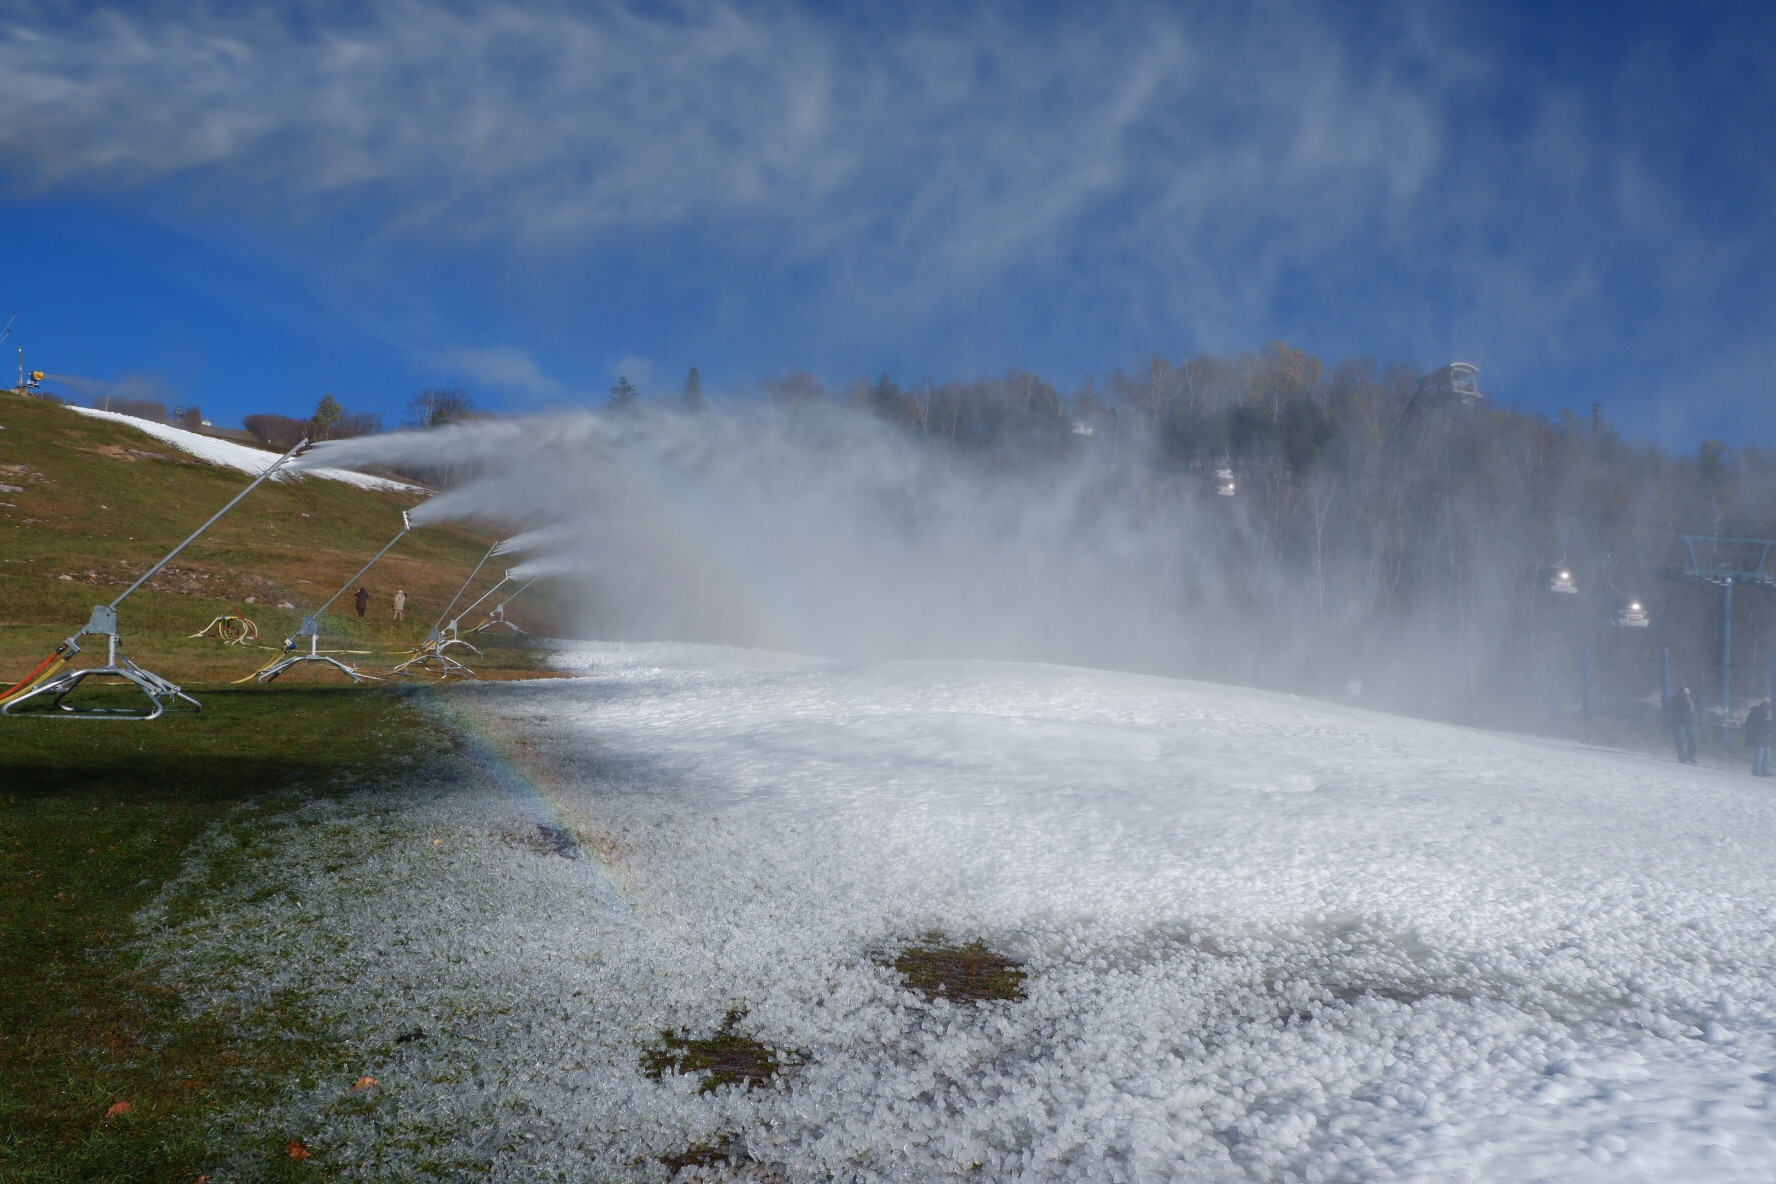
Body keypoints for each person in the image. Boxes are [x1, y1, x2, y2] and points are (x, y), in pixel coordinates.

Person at [1669, 686, 1699, 764]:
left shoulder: (1690, 700)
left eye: (1687, 694)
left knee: (1694, 741)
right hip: (1679, 724)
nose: (1686, 695)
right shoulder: (1675, 700)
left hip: (1690, 723)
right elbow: (1671, 710)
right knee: (1681, 742)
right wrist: (1677, 719)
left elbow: (1692, 711)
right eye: (1684, 694)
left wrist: (1693, 720)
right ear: (1680, 693)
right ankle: (1682, 758)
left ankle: (1690, 757)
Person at [1746, 700, 1773, 777]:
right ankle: (1756, 770)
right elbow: (1749, 726)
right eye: (1766, 708)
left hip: (1764, 737)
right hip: (1756, 737)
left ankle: (1765, 770)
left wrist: (1769, 732)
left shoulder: (1766, 715)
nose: (1767, 710)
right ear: (1762, 707)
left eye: (1768, 709)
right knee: (1760, 752)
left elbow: (1768, 726)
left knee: (1767, 751)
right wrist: (1752, 735)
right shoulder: (1753, 714)